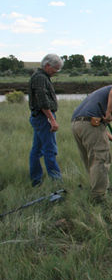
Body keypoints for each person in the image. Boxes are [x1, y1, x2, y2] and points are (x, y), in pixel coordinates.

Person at [71, 83, 112, 202]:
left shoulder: (100, 95)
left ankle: (95, 189)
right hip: (90, 124)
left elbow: (99, 127)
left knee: (91, 160)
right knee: (100, 159)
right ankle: (99, 197)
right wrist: (109, 112)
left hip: (78, 125)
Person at [28, 54, 64, 187]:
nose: (56, 72)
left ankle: (36, 181)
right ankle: (57, 182)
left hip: (41, 117)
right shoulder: (40, 78)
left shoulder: (42, 77)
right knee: (50, 150)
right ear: (47, 65)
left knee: (37, 150)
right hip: (43, 118)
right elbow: (42, 101)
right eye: (55, 68)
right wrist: (52, 119)